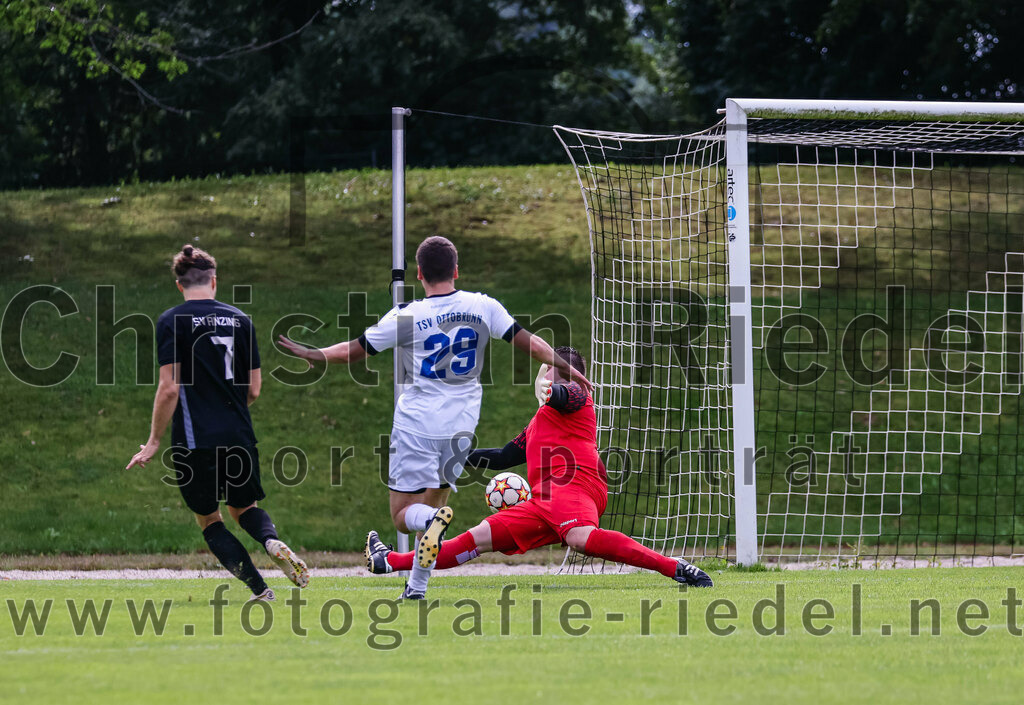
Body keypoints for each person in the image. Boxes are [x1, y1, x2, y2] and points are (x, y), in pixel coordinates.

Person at [277, 236, 590, 599]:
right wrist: (565, 366)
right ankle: (417, 587)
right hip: (461, 425)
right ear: (456, 270)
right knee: (436, 500)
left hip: (416, 423)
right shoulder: (483, 305)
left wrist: (313, 354)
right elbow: (531, 343)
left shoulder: (407, 315)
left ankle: (428, 525)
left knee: (404, 514)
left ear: (420, 273)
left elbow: (352, 352)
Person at [364, 347, 713, 589]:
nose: (541, 374)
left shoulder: (578, 398)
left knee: (579, 538)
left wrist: (546, 388)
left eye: (544, 369)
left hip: (575, 487)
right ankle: (388, 561)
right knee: (478, 537)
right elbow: (502, 457)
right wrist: (453, 457)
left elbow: (564, 395)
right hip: (542, 501)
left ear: (554, 372)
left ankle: (675, 567)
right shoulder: (537, 422)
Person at [127, 244, 309, 601]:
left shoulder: (171, 321)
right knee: (245, 510)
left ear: (180, 285)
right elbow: (254, 389)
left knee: (210, 521)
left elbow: (169, 389)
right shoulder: (241, 320)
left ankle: (260, 589)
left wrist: (152, 441)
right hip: (239, 434)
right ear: (214, 281)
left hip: (195, 441)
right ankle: (271, 541)